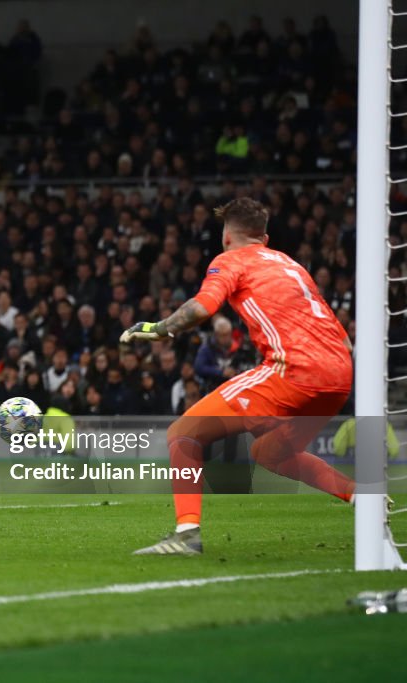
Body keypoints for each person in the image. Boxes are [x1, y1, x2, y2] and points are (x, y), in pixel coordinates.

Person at [121, 197, 355, 555]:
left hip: (294, 370)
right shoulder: (292, 265)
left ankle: (187, 534)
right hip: (339, 374)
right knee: (271, 452)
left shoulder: (231, 260)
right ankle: (361, 498)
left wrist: (157, 329)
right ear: (264, 235)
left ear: (227, 235)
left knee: (182, 434)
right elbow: (343, 338)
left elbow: (201, 307)